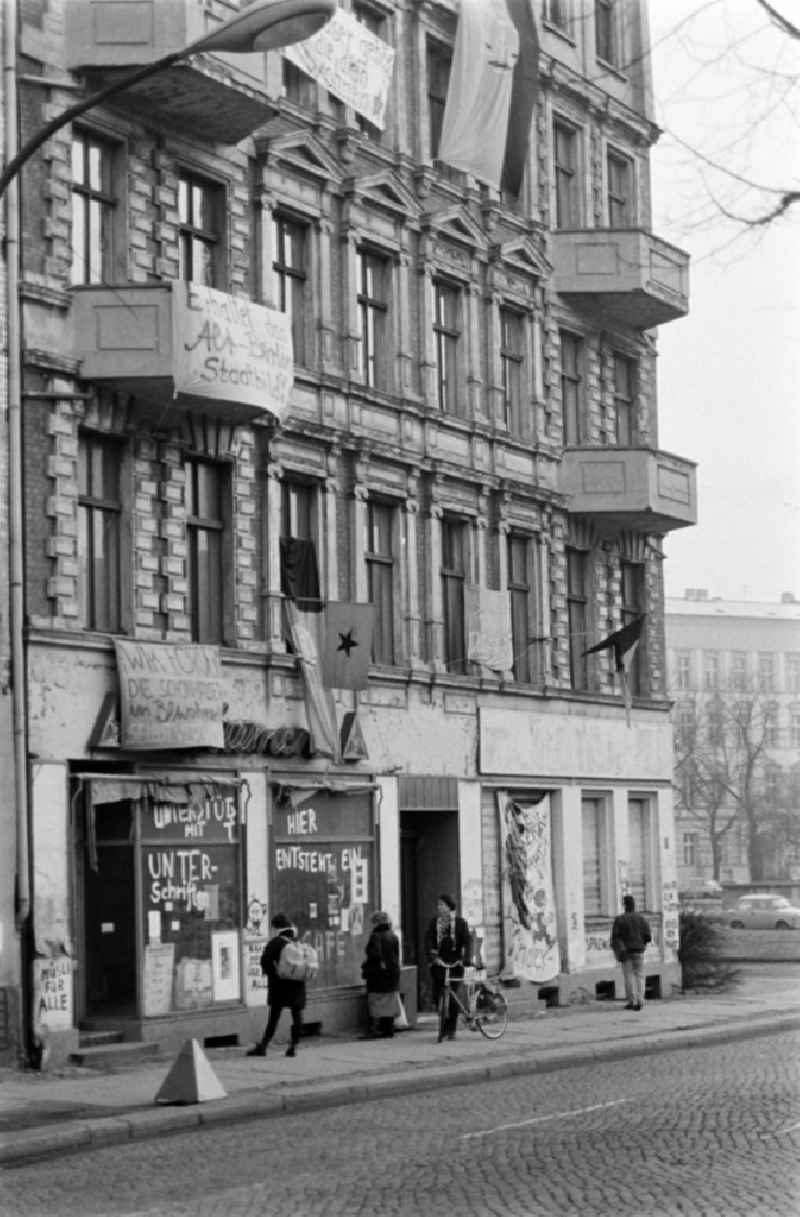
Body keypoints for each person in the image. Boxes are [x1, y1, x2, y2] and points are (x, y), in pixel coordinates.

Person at [246, 912, 305, 1057]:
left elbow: (265, 961)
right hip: (297, 985)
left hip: (280, 986)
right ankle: (294, 1046)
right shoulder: (297, 941)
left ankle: (263, 1046)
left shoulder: (276, 942)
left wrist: (275, 974)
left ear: (275, 927)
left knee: (274, 1017)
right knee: (297, 1015)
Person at [424, 893, 471, 1040]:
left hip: (455, 964)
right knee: (439, 995)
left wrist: (466, 959)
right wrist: (432, 956)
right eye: (438, 905)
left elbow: (467, 942)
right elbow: (429, 941)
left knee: (452, 997)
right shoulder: (434, 923)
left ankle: (451, 1029)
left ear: (449, 906)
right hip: (439, 964)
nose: (439, 907)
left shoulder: (460, 923)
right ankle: (442, 1026)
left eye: (442, 904)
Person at [361, 910, 401, 1038]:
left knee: (375, 1000)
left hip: (378, 975)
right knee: (389, 1001)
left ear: (377, 922)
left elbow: (374, 955)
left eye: (373, 922)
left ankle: (374, 1029)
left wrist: (366, 966)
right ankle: (388, 1030)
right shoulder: (393, 936)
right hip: (392, 973)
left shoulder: (376, 936)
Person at [610, 894, 652, 1011]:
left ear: (624, 906)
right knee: (640, 976)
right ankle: (640, 1001)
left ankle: (631, 1001)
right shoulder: (642, 919)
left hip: (626, 952)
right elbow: (648, 937)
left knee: (628, 977)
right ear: (634, 905)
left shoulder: (620, 920)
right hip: (639, 951)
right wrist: (641, 944)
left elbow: (615, 937)